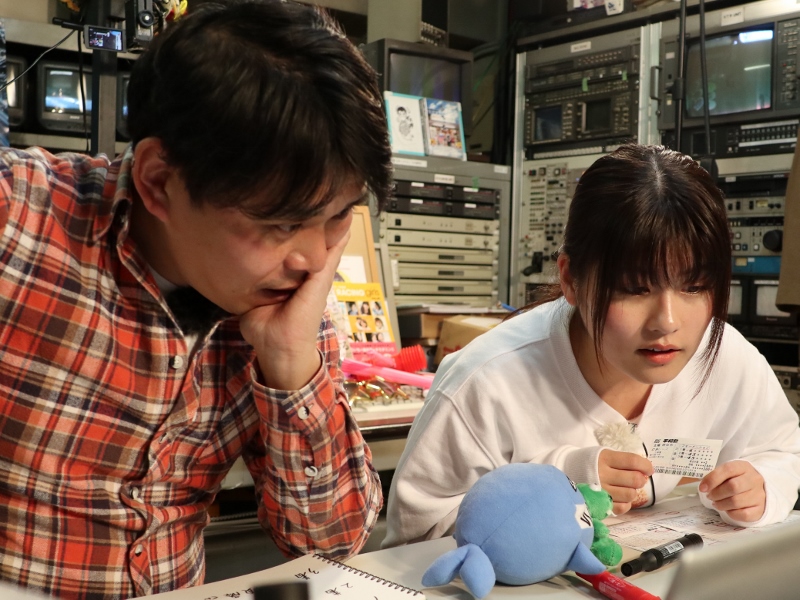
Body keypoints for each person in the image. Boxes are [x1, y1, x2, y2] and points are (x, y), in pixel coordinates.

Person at [0, 1, 393, 598]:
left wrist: (291, 366)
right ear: (160, 182)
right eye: (284, 224)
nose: (314, 259)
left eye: (338, 216)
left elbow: (332, 545)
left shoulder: (287, 303)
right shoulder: (20, 221)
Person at [383, 144, 800, 548]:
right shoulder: (484, 381)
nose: (668, 322)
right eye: (635, 288)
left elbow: (782, 448)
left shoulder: (722, 355)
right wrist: (560, 483)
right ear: (571, 279)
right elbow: (419, 537)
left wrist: (762, 485)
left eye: (695, 287)